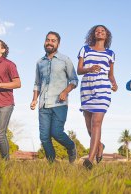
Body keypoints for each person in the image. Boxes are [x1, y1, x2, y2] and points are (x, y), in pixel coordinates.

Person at [30, 31, 78, 163]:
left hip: (59, 104)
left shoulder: (65, 60)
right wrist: (34, 99)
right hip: (43, 105)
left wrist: (65, 91)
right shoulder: (40, 62)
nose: (50, 42)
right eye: (48, 40)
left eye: (53, 40)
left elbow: (74, 80)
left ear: (58, 43)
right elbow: (37, 83)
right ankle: (52, 163)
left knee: (56, 132)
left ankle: (71, 146)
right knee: (44, 137)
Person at [77, 25, 118, 169]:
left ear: (107, 35)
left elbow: (110, 74)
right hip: (86, 89)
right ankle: (99, 145)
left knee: (96, 123)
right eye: (97, 31)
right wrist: (89, 69)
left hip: (103, 89)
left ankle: (89, 160)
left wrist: (114, 84)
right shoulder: (85, 49)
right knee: (89, 126)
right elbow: (79, 70)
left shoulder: (110, 53)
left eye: (103, 31)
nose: (100, 32)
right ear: (93, 34)